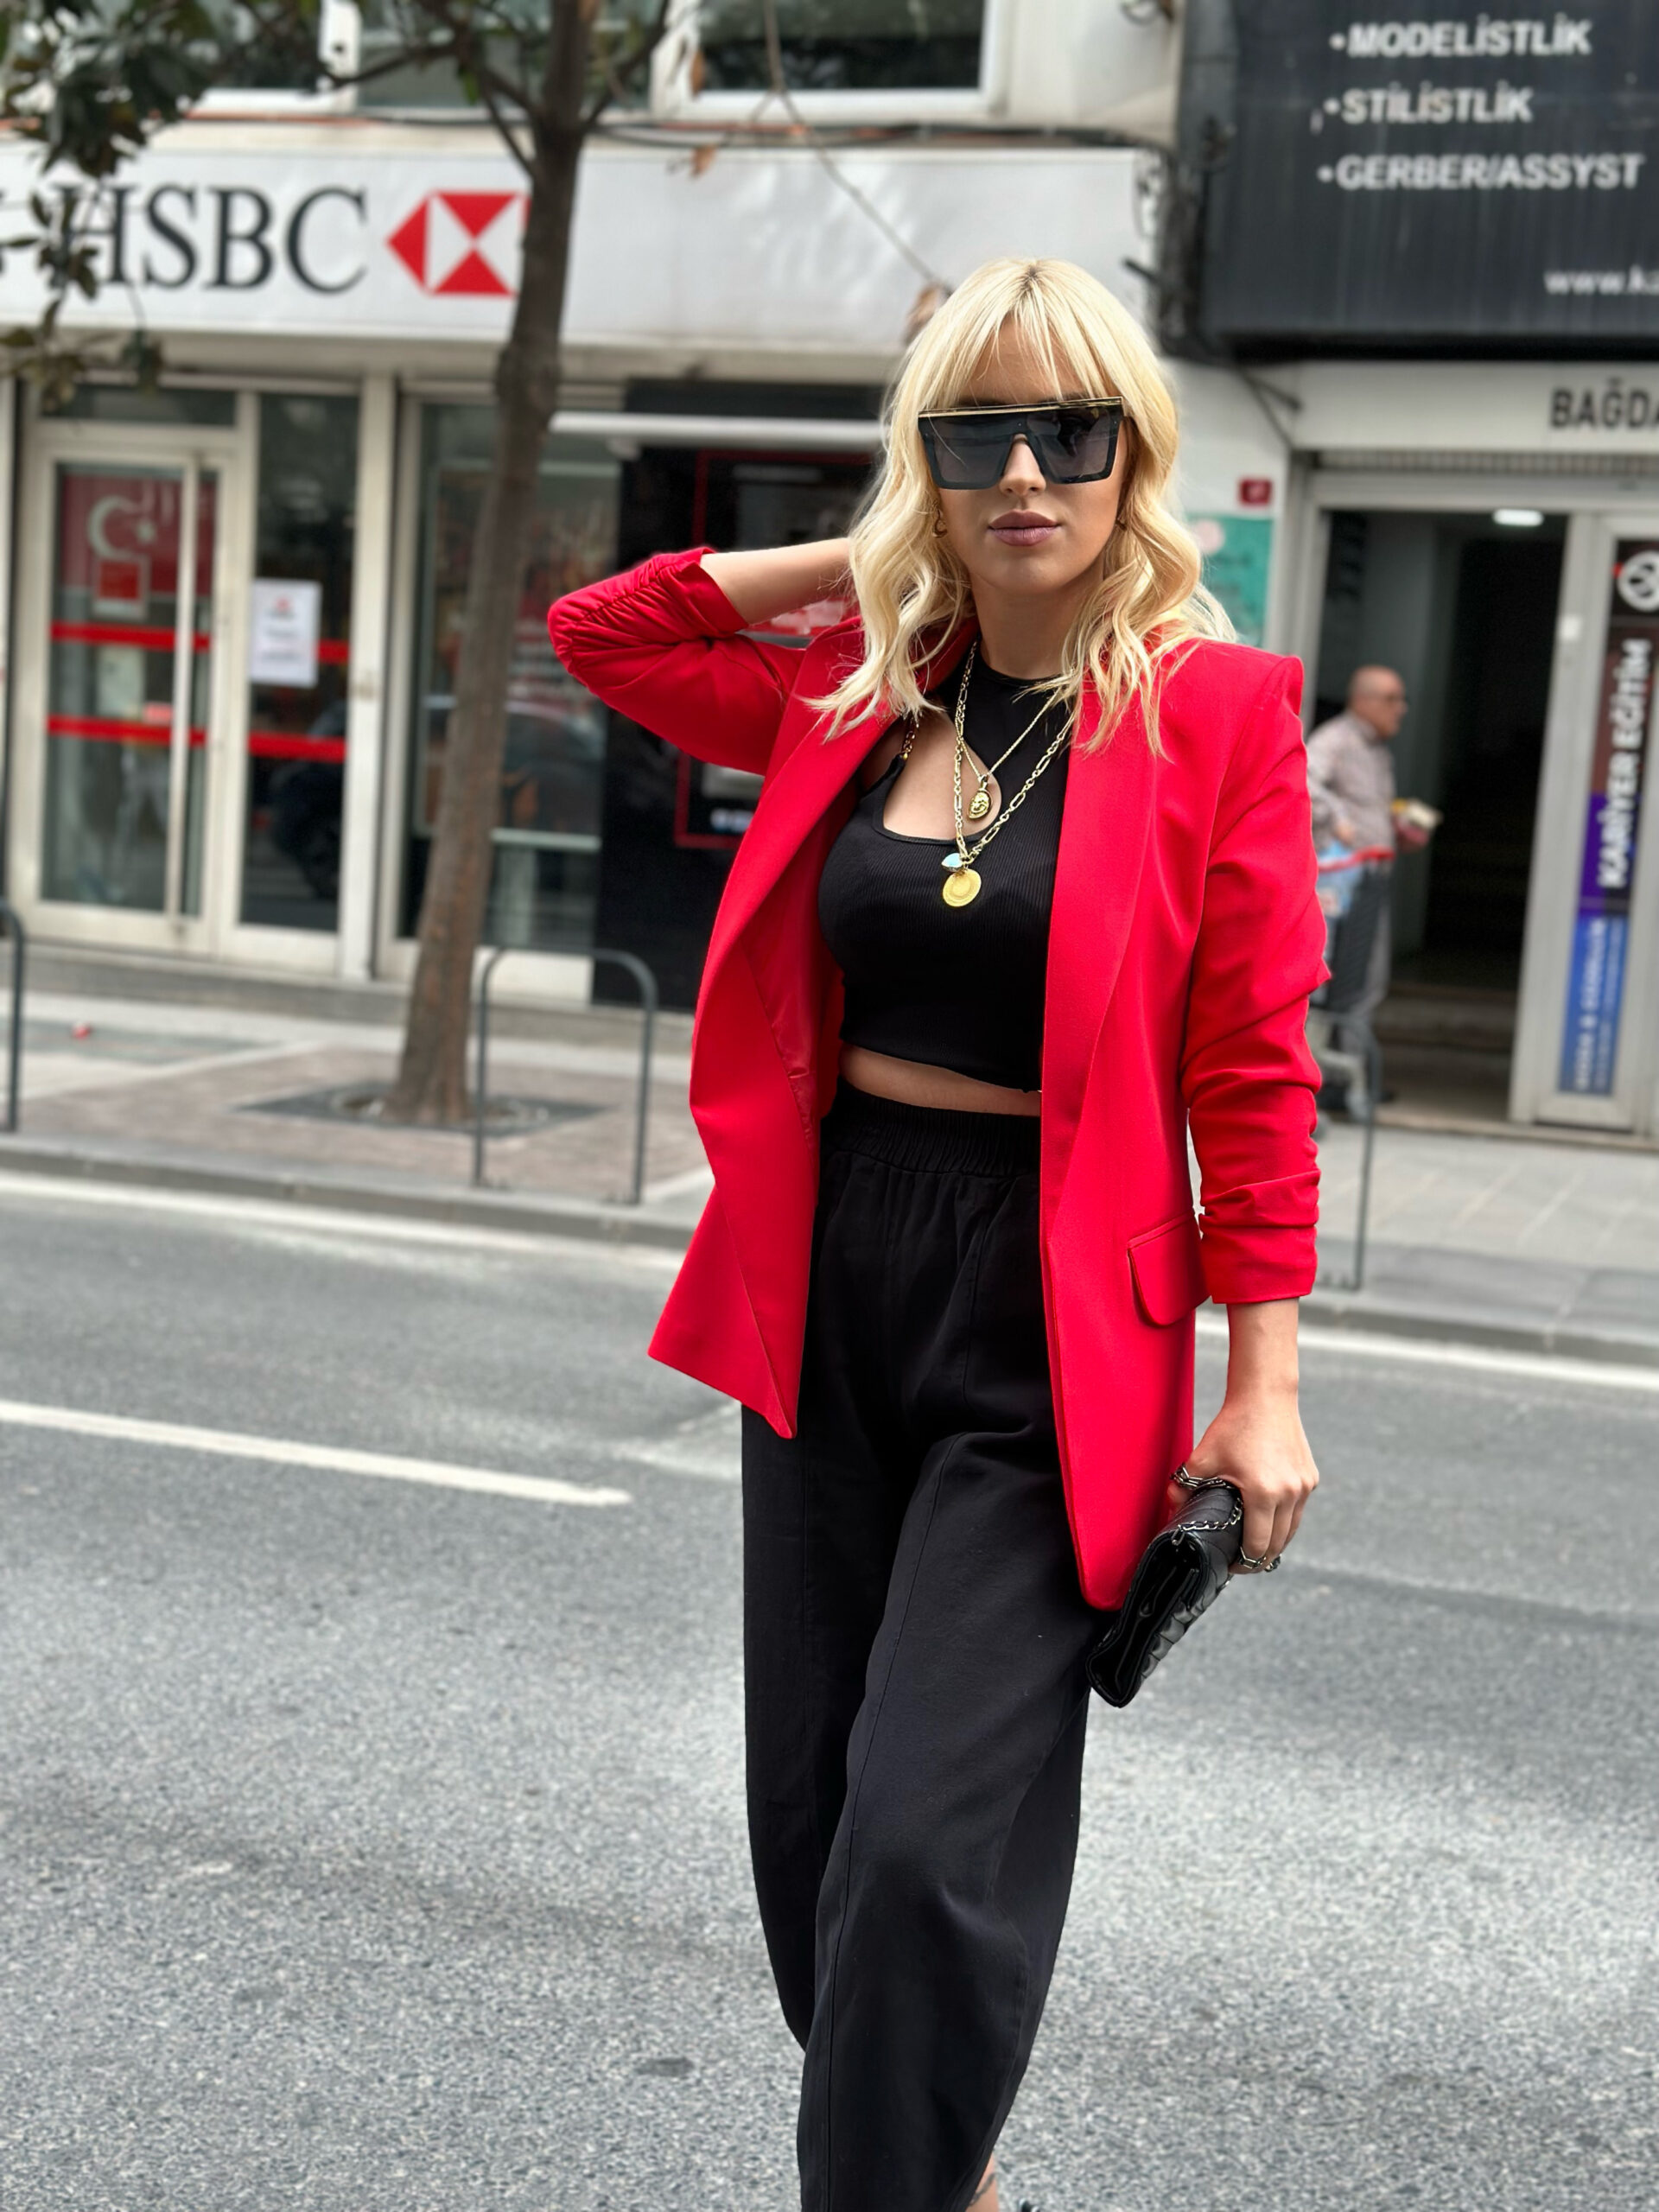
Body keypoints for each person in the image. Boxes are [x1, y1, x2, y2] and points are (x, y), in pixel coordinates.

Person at [548, 257, 1325, 2212]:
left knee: (918, 1837)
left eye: (1069, 431)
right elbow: (606, 628)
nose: (1026, 473)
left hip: (1045, 1317)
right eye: (976, 436)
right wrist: (897, 540)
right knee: (810, 1819)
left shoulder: (1216, 715)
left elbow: (1251, 1065)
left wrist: (1265, 1384)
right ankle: (943, 2179)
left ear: (1135, 453)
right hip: (825, 1280)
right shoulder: (854, 687)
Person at [1305, 667, 1427, 1061]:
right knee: (1336, 980)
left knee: (1366, 980)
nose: (1401, 708)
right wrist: (1338, 817)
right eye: (1391, 699)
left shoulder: (1377, 750)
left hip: (1372, 880)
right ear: (1362, 700)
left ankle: (1348, 1065)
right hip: (1340, 885)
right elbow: (1303, 783)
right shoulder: (1335, 740)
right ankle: (1328, 1070)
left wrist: (1394, 829)